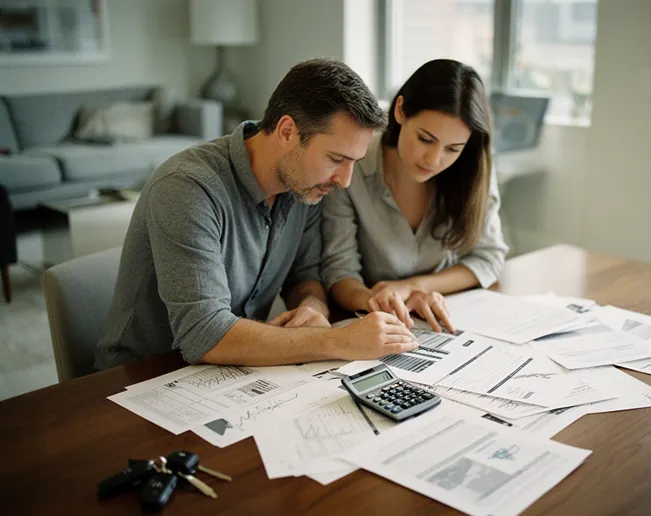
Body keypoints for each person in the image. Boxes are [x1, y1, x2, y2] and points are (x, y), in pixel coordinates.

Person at [95, 58, 419, 370]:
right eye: (336, 159)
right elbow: (204, 335)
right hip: (140, 380)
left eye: (353, 162)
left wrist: (312, 306)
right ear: (287, 131)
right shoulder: (187, 187)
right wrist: (333, 340)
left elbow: (306, 276)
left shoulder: (305, 187)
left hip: (235, 375)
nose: (345, 180)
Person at [321, 59, 509, 334]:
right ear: (400, 110)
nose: (434, 159)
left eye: (452, 148)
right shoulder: (354, 164)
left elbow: (489, 257)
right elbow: (338, 271)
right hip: (376, 321)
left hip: (449, 320)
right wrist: (375, 299)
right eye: (425, 139)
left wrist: (415, 287)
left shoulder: (473, 167)